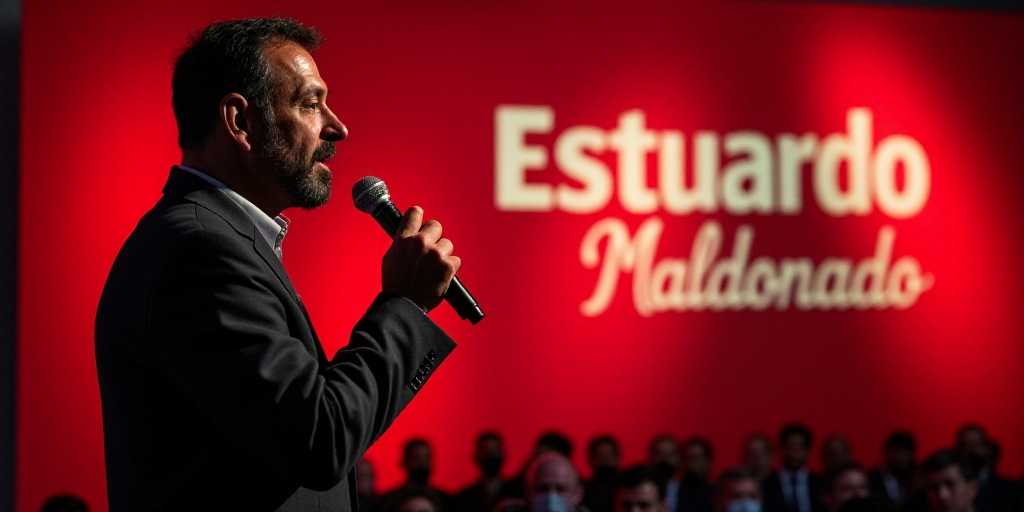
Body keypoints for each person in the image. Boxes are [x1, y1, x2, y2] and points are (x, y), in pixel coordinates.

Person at [94, 18, 462, 512]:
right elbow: (317, 438)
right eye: (310, 104)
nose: (337, 127)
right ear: (239, 121)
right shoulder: (199, 250)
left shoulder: (214, 240)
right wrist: (404, 306)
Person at [762, 424, 823, 512]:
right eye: (790, 447)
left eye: (799, 448)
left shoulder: (820, 484)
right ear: (781, 449)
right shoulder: (767, 485)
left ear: (808, 450)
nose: (794, 453)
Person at [455, 431, 509, 512]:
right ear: (476, 456)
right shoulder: (465, 497)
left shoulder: (515, 492)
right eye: (487, 451)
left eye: (495, 451)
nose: (492, 456)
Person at [866, 431, 917, 506]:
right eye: (899, 454)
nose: (902, 458)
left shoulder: (914, 480)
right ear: (887, 451)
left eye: (906, 455)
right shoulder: (870, 480)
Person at [584, 435, 622, 512]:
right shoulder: (583, 493)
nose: (605, 461)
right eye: (600, 456)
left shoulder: (627, 490)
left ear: (618, 458)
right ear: (590, 459)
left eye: (610, 456)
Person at [678, 437, 715, 512]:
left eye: (696, 458)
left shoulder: (718, 494)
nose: (692, 463)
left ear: (708, 461)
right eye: (688, 458)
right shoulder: (673, 494)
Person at [648, 434, 682, 512]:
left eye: (670, 454)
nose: (664, 458)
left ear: (679, 458)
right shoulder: (639, 492)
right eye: (659, 453)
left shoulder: (691, 494)